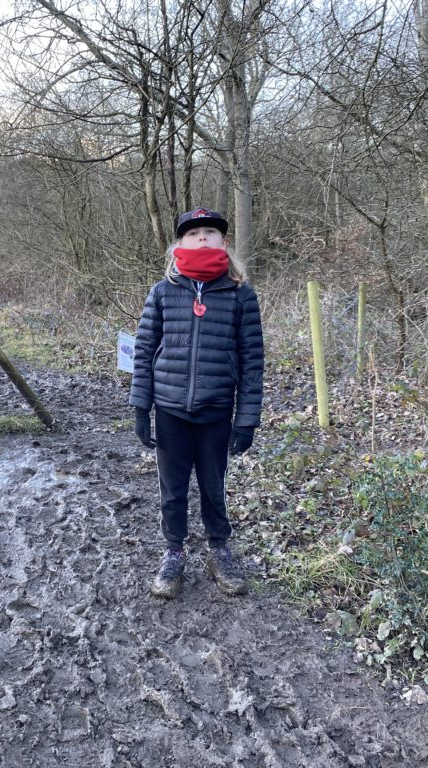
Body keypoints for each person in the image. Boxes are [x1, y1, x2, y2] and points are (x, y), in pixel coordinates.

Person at [129, 207, 264, 599]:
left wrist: (247, 419)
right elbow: (144, 350)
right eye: (193, 233)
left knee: (213, 485)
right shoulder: (163, 291)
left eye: (210, 231)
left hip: (217, 410)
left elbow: (253, 360)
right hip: (170, 410)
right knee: (172, 489)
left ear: (223, 242)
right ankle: (173, 553)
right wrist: (141, 406)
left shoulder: (241, 295)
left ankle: (219, 549)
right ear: (179, 244)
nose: (202, 237)